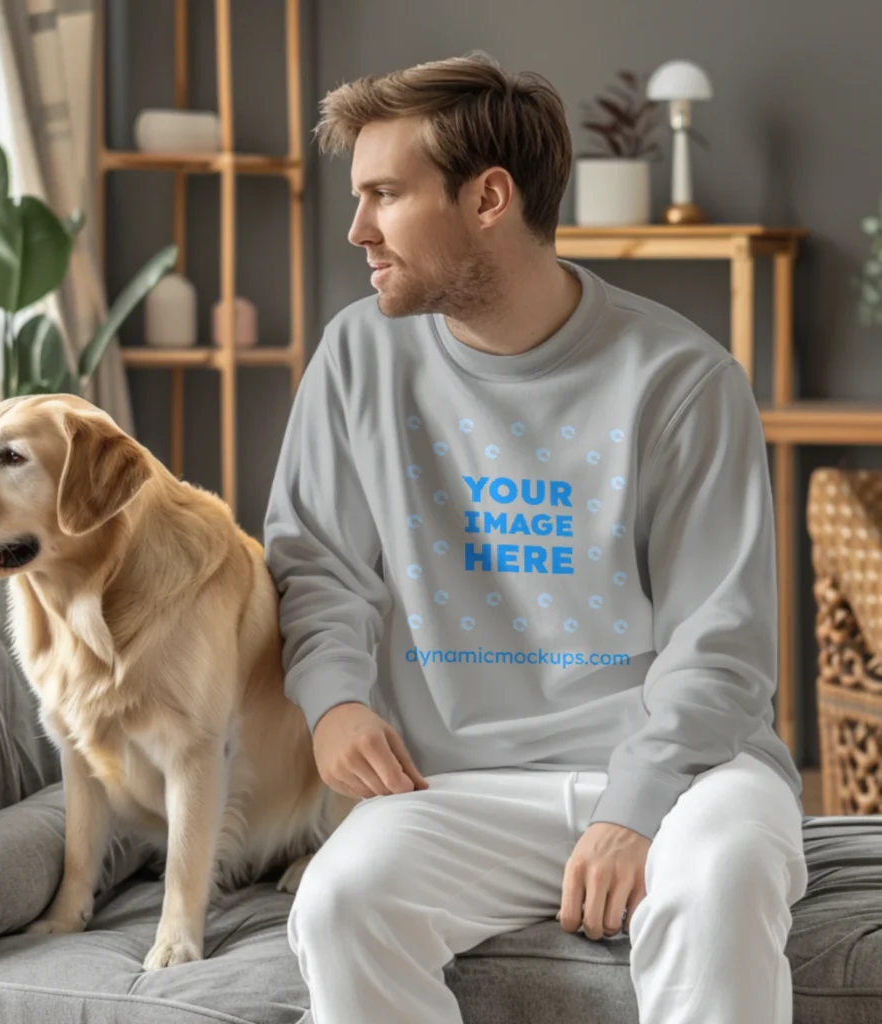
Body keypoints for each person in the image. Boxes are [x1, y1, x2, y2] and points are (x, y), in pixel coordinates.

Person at [262, 51, 807, 1024]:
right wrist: (333, 698)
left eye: (385, 194)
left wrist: (628, 810)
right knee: (340, 902)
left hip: (688, 772)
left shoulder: (680, 378)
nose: (357, 229)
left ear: (488, 198)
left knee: (717, 884)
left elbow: (717, 641)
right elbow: (317, 560)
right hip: (459, 781)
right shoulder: (355, 354)